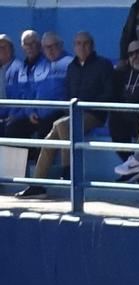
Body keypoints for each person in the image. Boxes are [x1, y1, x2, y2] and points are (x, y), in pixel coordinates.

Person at [17, 32, 113, 199]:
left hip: (94, 114)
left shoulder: (103, 64)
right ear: (74, 46)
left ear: (92, 45)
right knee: (50, 137)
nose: (82, 47)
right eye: (78, 44)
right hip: (74, 114)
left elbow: (109, 93)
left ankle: (69, 172)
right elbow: (68, 92)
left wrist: (86, 103)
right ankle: (37, 185)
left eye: (85, 43)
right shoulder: (72, 67)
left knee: (61, 125)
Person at [3, 31, 71, 163]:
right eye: (27, 44)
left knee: (45, 129)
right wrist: (30, 112)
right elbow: (27, 93)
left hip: (54, 112)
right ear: (22, 46)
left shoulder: (53, 63)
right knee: (12, 129)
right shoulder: (21, 68)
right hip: (32, 113)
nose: (31, 47)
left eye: (34, 43)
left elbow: (54, 92)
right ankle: (25, 166)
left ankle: (39, 175)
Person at [109, 41, 139, 179]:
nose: (135, 56)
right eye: (131, 54)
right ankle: (131, 165)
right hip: (127, 111)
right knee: (114, 120)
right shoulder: (122, 73)